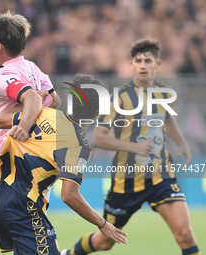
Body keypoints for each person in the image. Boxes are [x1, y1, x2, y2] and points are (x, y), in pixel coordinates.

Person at [61, 38, 201, 255]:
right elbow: (98, 138)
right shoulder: (120, 98)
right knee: (104, 242)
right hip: (126, 181)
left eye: (147, 60)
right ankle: (69, 254)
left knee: (185, 234)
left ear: (158, 64)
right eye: (138, 61)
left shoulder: (164, 94)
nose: (143, 65)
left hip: (160, 176)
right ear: (131, 65)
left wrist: (181, 143)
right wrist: (134, 148)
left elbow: (167, 119)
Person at [0, 74, 128, 255]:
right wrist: (102, 223)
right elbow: (69, 195)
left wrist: (32, 100)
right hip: (24, 204)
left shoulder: (41, 113)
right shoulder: (78, 144)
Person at [0, 11, 60, 255]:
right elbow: (55, 98)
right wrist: (35, 104)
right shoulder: (31, 67)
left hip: (10, 168)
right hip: (37, 169)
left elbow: (31, 97)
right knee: (26, 240)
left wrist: (23, 124)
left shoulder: (3, 75)